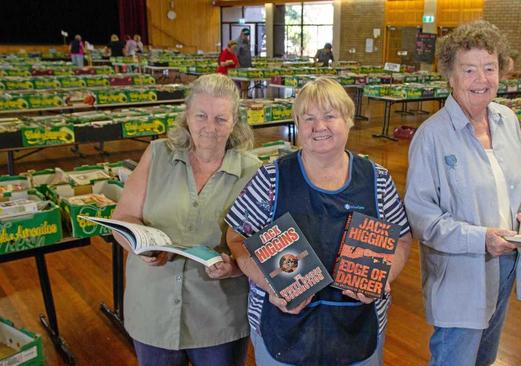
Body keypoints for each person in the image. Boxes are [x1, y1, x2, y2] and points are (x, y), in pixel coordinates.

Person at [225, 77, 413, 365]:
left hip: (358, 328)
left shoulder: (378, 180)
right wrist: (269, 284)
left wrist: (384, 276)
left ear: (349, 119)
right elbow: (236, 237)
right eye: (308, 118)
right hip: (281, 329)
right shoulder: (271, 178)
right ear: (298, 124)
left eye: (330, 116)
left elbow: (401, 239)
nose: (319, 126)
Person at [404, 20, 521, 366]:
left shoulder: (507, 121)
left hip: (505, 264)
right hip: (460, 276)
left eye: (490, 68)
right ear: (450, 76)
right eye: (469, 70)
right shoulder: (431, 137)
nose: (482, 79)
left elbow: (510, 190)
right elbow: (422, 218)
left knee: (484, 359)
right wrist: (481, 239)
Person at [111, 73, 260, 366]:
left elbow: (262, 244)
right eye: (201, 115)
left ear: (235, 123)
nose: (209, 127)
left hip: (219, 319)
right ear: (187, 117)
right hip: (153, 311)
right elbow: (124, 217)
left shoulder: (253, 172)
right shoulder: (157, 155)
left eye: (221, 118)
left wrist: (235, 267)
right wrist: (140, 246)